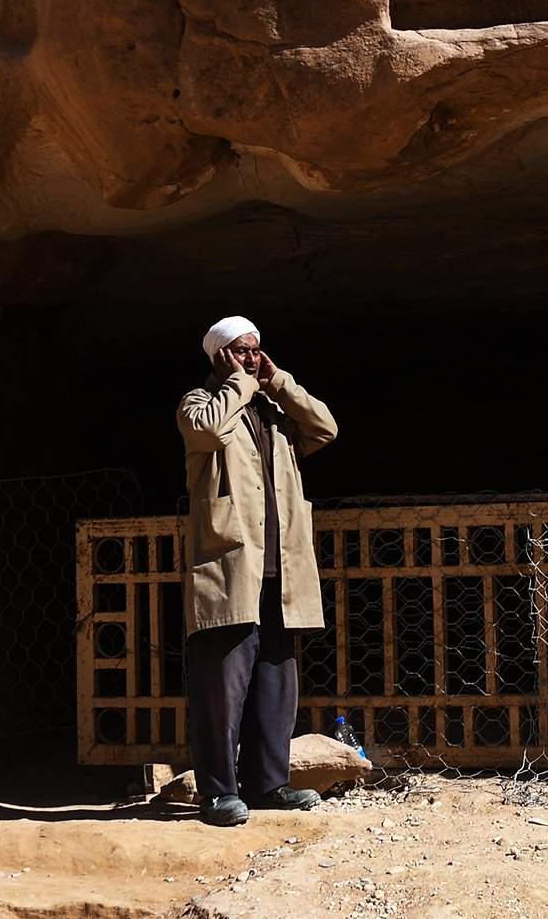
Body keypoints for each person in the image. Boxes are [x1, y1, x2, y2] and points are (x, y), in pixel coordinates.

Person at [178, 316, 339, 827]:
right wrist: (236, 385)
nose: (251, 358)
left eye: (256, 350)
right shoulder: (199, 405)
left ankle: (270, 783)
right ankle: (218, 794)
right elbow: (205, 433)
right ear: (220, 356)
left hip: (281, 569)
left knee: (276, 682)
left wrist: (279, 382)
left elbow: (325, 428)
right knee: (221, 687)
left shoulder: (274, 410)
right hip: (229, 568)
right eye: (241, 351)